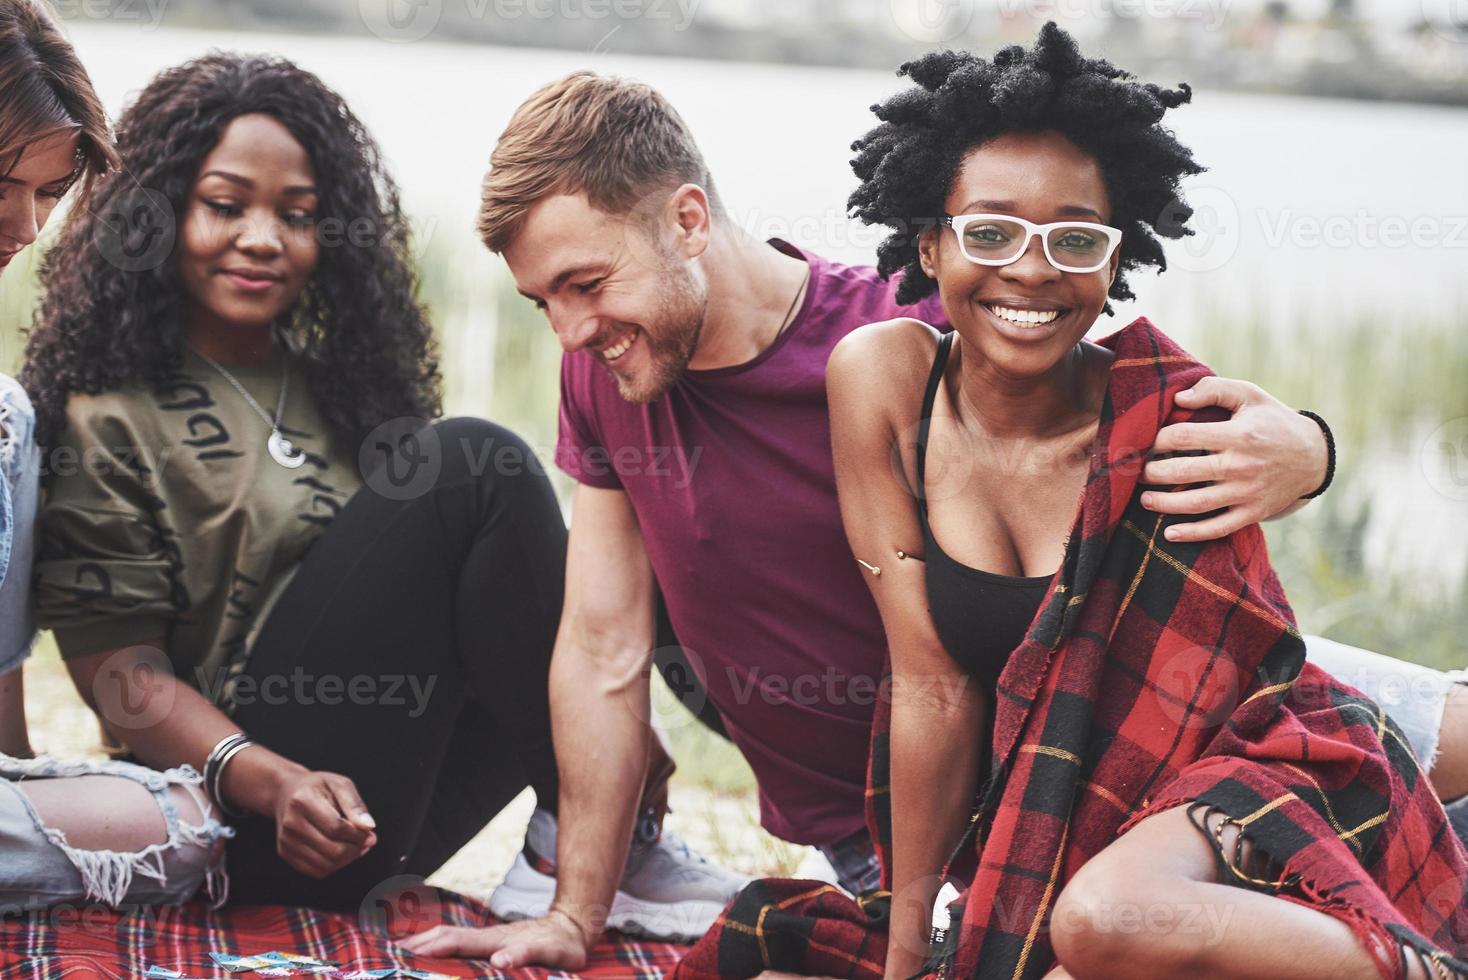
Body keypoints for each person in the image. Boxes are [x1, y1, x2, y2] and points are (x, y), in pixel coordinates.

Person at [399, 68, 1467, 970]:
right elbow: (600, 646)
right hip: (939, 823)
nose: (572, 329)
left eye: (586, 283)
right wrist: (577, 913)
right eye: (546, 303)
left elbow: (1120, 384)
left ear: (685, 217)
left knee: (1419, 744)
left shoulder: (909, 327)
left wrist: (1314, 445)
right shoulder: (609, 375)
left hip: (1148, 695)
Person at [20, 49, 739, 924]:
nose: (262, 237)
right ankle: (595, 838)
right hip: (242, 816)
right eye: (223, 206)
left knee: (499, 524)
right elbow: (119, 674)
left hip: (371, 816)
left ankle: (586, 836)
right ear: (158, 214)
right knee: (478, 462)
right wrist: (273, 779)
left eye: (299, 215)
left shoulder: (343, 390)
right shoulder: (107, 414)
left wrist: (606, 733)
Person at [818, 26, 1466, 978]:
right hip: (1117, 829)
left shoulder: (1169, 421)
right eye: (990, 232)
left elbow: (1235, 684)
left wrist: (1315, 447)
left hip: (1269, 767)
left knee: (1107, 920)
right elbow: (932, 683)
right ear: (931, 243)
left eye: (1075, 238)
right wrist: (910, 950)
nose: (1032, 271)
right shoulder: (881, 381)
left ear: (1116, 258)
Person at [0, 0, 232, 913]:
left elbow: (4, 724)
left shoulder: (8, 422)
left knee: (182, 820)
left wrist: (26, 782)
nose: (22, 224)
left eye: (49, 193)